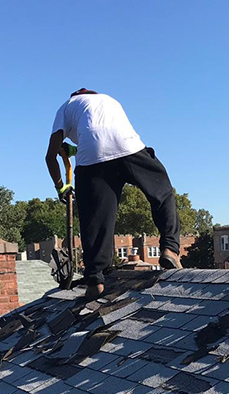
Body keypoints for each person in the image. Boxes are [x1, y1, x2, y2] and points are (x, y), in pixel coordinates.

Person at [45, 89, 182, 299]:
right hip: (129, 147)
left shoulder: (65, 107)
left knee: (96, 220)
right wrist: (74, 150)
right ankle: (170, 249)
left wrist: (61, 187)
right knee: (162, 193)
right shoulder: (108, 100)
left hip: (92, 159)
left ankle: (94, 280)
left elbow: (51, 156)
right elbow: (108, 136)